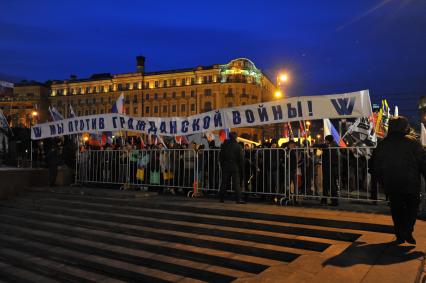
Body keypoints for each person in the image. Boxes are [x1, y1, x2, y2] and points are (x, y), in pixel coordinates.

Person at [374, 116, 426, 245]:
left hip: (391, 183)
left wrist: (381, 181)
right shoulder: (413, 142)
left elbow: (375, 164)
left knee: (396, 210)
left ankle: (400, 234)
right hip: (411, 183)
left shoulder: (383, 143)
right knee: (412, 208)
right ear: (405, 127)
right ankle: (407, 230)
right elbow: (423, 162)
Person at [219, 132, 245, 203]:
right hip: (234, 166)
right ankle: (238, 199)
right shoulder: (238, 146)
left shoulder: (225, 145)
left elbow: (221, 156)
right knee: (236, 183)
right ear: (235, 137)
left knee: (224, 182)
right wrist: (240, 166)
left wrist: (222, 164)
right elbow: (241, 158)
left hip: (226, 165)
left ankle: (221, 198)